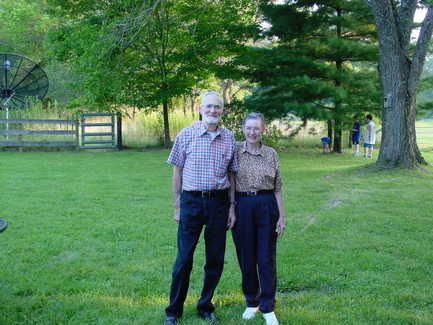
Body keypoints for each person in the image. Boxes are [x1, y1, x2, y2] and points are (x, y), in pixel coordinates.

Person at [164, 91, 238, 325]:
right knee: (184, 259)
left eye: (217, 107)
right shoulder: (185, 135)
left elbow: (231, 174)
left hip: (219, 203)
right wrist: (177, 206)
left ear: (223, 111)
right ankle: (173, 312)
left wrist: (232, 207)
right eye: (208, 106)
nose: (213, 111)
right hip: (191, 202)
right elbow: (177, 171)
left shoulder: (229, 138)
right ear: (200, 108)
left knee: (214, 259)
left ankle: (205, 307)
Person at [232, 112, 285, 325]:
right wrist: (231, 208)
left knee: (266, 257)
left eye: (256, 128)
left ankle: (267, 306)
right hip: (243, 204)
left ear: (263, 130)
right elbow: (230, 179)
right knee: (246, 256)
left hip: (266, 205)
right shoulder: (235, 150)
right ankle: (251, 302)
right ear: (243, 129)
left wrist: (281, 216)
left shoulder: (271, 153)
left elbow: (278, 186)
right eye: (248, 128)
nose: (252, 132)